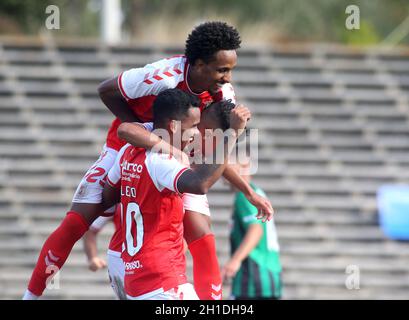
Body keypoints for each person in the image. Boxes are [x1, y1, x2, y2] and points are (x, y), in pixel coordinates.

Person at [23, 21, 272, 300]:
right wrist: (150, 133)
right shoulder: (163, 75)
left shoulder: (222, 95)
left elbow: (213, 152)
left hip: (175, 153)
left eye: (231, 70)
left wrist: (248, 191)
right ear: (199, 64)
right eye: (222, 69)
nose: (228, 78)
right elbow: (107, 90)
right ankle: (30, 296)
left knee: (202, 234)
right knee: (77, 220)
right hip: (126, 148)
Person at [102, 88, 251, 299]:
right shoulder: (163, 162)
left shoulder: (128, 151)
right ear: (173, 125)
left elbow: (108, 197)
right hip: (163, 281)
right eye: (193, 127)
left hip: (131, 274)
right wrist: (233, 133)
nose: (196, 134)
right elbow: (201, 184)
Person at [222, 154, 282, 300]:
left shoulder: (244, 197)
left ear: (245, 166)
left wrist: (234, 261)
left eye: (227, 163)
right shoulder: (257, 192)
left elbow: (256, 229)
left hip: (253, 277)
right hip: (271, 274)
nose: (222, 168)